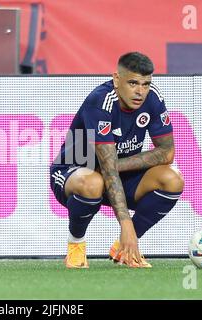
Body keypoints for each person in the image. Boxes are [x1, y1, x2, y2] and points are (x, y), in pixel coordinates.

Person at [50, 52, 184, 268]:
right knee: (93, 182)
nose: (140, 91)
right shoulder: (101, 101)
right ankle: (76, 246)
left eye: (145, 84)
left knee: (172, 179)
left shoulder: (153, 98)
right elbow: (107, 169)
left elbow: (167, 152)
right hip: (74, 171)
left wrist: (116, 166)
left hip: (118, 172)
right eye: (133, 83)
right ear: (116, 79)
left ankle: (123, 249)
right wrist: (126, 224)